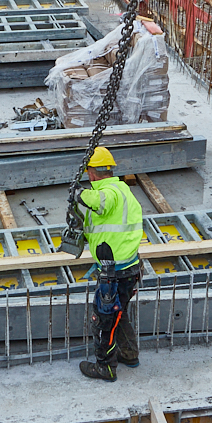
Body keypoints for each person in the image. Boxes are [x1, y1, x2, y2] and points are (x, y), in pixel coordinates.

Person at [75, 147, 144, 382]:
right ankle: (129, 354)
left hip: (115, 273)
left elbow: (100, 202)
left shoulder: (109, 192)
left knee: (103, 321)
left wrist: (78, 193)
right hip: (128, 268)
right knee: (118, 314)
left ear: (91, 173)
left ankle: (106, 368)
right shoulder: (123, 189)